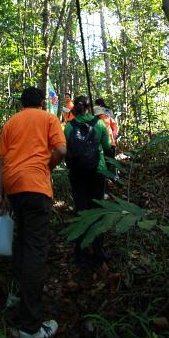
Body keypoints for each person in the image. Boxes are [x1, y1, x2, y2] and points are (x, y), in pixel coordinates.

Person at [0, 87, 66, 338]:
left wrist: (0, 196)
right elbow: (60, 149)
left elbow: (1, 163)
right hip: (35, 186)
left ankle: (16, 295)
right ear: (42, 102)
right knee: (35, 249)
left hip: (14, 188)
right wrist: (47, 166)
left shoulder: (11, 122)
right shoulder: (48, 119)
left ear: (22, 103)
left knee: (23, 241)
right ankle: (30, 329)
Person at [64, 95, 111, 274]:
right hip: (97, 171)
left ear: (75, 107)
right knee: (98, 210)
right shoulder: (99, 123)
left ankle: (81, 256)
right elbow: (107, 145)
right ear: (89, 107)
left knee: (81, 210)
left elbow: (64, 148)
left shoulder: (69, 126)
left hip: (77, 173)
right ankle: (99, 253)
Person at [93, 97, 118, 162]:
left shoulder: (103, 114)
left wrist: (114, 136)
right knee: (110, 162)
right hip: (108, 142)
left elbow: (114, 126)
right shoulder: (107, 114)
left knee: (106, 162)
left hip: (105, 142)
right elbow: (114, 126)